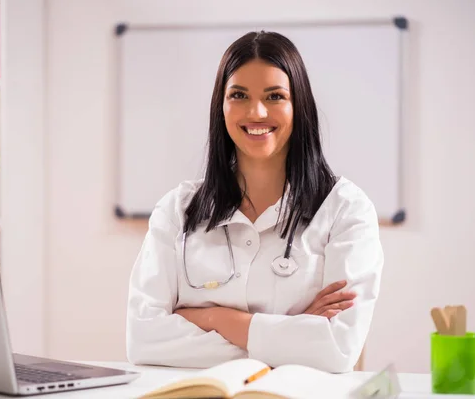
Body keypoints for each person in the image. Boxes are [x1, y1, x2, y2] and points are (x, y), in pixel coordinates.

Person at [125, 30, 384, 373]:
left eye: (275, 96)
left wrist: (213, 318)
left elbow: (338, 348)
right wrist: (290, 335)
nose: (257, 111)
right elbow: (143, 338)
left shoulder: (345, 209)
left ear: (299, 106)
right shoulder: (178, 209)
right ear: (222, 105)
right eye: (239, 95)